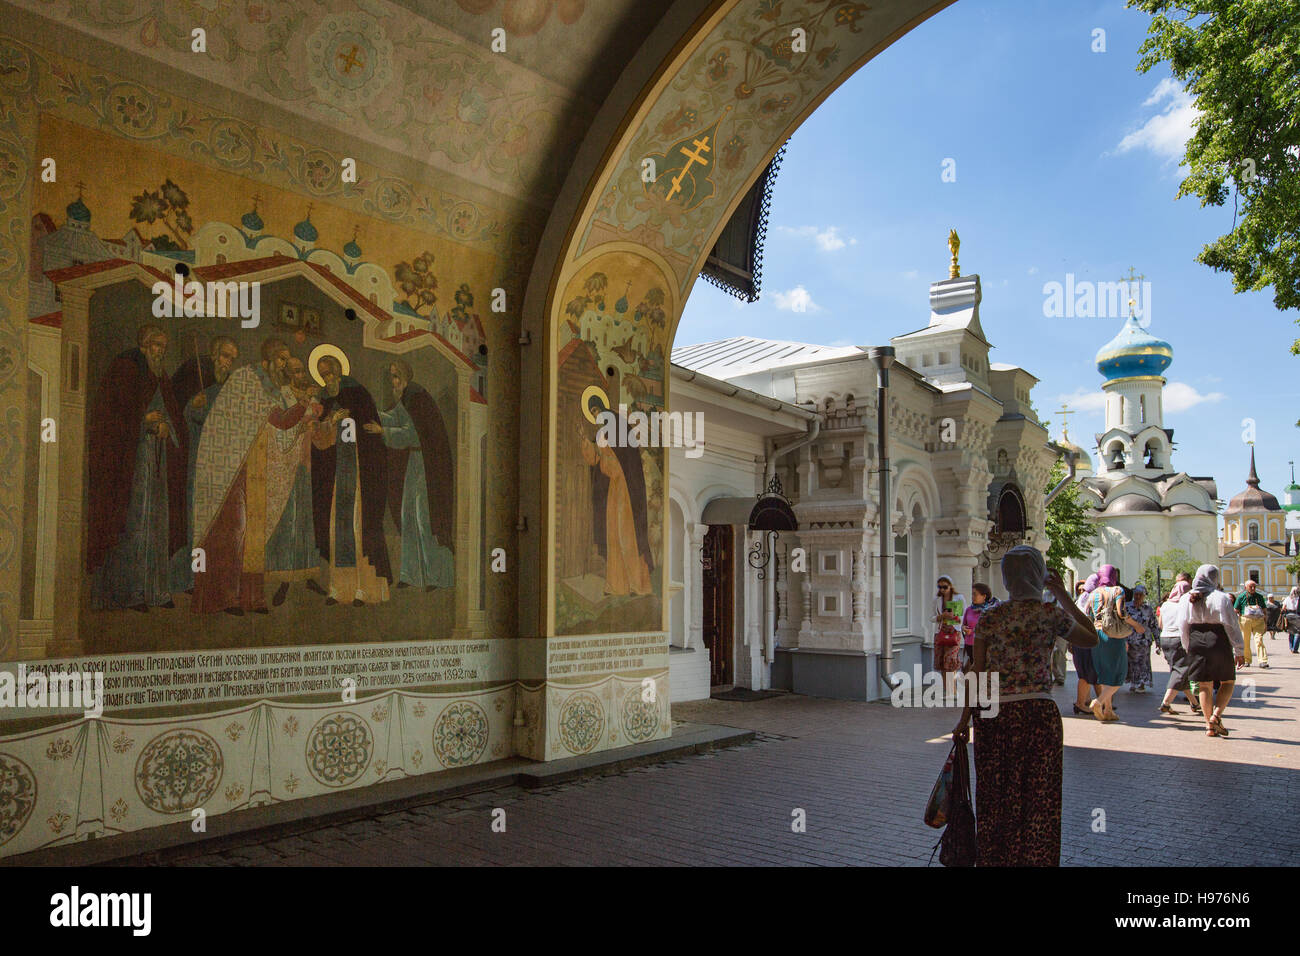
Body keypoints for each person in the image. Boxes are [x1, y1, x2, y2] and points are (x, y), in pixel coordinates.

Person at [950, 546, 1098, 867]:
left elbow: (976, 672)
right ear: (1037, 574)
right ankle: (1037, 859)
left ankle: (996, 859)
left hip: (995, 717)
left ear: (1007, 577)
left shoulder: (991, 617)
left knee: (996, 795)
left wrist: (964, 720)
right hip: (1039, 716)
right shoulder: (1050, 614)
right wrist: (1062, 594)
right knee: (1040, 797)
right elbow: (1091, 638)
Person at [192, 338, 316, 615]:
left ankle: (251, 597)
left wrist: (302, 405)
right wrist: (302, 404)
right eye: (282, 359)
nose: (285, 366)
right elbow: (270, 420)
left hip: (256, 466)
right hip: (231, 466)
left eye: (287, 360)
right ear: (269, 358)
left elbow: (282, 423)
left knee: (255, 533)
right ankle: (224, 598)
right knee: (233, 531)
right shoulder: (246, 379)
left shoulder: (273, 387)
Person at [87, 325, 188, 611]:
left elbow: (172, 415)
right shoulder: (126, 368)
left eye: (164, 346)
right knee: (135, 524)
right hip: (131, 463)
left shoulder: (160, 375)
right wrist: (144, 419)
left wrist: (167, 426)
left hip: (157, 462)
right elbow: (111, 414)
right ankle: (129, 594)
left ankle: (156, 591)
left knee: (157, 524)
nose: (161, 351)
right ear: (143, 345)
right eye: (156, 345)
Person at [363, 360, 455, 591]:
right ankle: (410, 574)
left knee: (424, 520)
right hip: (414, 462)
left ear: (404, 377)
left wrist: (382, 431)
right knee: (407, 517)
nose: (393, 381)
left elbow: (411, 433)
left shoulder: (417, 397)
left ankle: (434, 576)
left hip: (427, 464)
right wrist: (375, 414)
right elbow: (396, 417)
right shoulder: (405, 398)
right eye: (391, 376)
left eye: (396, 376)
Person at [311, 350, 393, 605]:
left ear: (339, 371)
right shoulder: (323, 400)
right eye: (323, 375)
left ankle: (363, 589)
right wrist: (331, 422)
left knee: (359, 529)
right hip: (336, 476)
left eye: (331, 373)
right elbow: (319, 439)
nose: (328, 379)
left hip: (359, 474)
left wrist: (351, 423)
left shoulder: (358, 393)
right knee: (338, 531)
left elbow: (372, 431)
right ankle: (339, 589)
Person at [1179, 565, 1245, 738]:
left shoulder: (1186, 598)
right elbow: (1231, 625)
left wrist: (1187, 646)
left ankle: (1209, 726)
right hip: (1217, 639)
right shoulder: (1221, 598)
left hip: (1195, 640)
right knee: (1228, 680)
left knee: (1204, 684)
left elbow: (1183, 626)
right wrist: (1239, 649)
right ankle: (1216, 716)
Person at [1084, 564, 1135, 721]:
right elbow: (1121, 612)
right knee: (1119, 674)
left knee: (1105, 674)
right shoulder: (1118, 591)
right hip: (1113, 635)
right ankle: (1098, 702)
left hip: (1096, 634)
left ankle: (1108, 710)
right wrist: (1133, 624)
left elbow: (1086, 614)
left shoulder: (1093, 594)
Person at [1157, 580, 1200, 715]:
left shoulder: (1165, 605)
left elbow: (1160, 624)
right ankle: (1166, 703)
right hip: (1179, 639)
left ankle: (1194, 702)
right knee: (1181, 671)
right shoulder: (1185, 604)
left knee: (1179, 672)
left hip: (1165, 638)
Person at [1072, 573, 1101, 716]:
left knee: (1091, 673)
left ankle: (1102, 702)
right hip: (1088, 640)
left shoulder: (1080, 599)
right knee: (1087, 673)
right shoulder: (1092, 598)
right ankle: (1080, 703)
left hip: (1079, 640)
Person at [932, 575, 965, 690]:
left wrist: (954, 617)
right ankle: (947, 689)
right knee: (941, 661)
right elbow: (931, 618)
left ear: (950, 586)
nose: (941, 590)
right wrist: (942, 616)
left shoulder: (958, 598)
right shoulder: (937, 600)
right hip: (940, 632)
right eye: (939, 587)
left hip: (954, 632)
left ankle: (953, 689)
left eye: (944, 587)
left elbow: (962, 616)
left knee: (950, 660)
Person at [1125, 584, 1157, 693]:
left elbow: (1154, 625)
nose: (1138, 597)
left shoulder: (1148, 609)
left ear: (1144, 596)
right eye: (1136, 594)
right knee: (1132, 663)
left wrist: (1158, 641)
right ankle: (1134, 682)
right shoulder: (1127, 607)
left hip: (1144, 641)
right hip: (1131, 640)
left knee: (1143, 663)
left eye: (1140, 595)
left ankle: (1142, 683)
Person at [961, 583, 997, 670]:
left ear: (984, 596)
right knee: (973, 669)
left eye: (975, 594)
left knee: (983, 669)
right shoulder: (969, 610)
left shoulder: (990, 610)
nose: (972, 596)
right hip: (970, 644)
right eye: (972, 594)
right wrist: (964, 628)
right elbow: (964, 624)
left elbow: (991, 628)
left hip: (984, 645)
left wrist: (973, 631)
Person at [1234, 580, 1268, 669]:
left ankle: (1262, 661)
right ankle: (1246, 660)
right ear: (1245, 588)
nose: (1253, 588)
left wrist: (1265, 622)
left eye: (1254, 587)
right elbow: (1235, 610)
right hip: (1245, 620)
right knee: (1245, 640)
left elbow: (1264, 610)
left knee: (1259, 639)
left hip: (1258, 621)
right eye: (1250, 587)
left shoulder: (1259, 597)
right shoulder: (1241, 597)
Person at [1282, 585, 1300, 654]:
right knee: (1297, 632)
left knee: (1291, 632)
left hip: (1289, 615)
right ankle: (1295, 648)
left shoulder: (1287, 598)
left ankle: (1291, 647)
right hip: (1297, 615)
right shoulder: (1298, 598)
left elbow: (1283, 608)